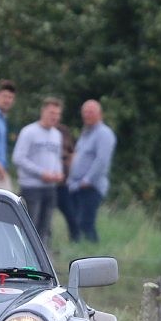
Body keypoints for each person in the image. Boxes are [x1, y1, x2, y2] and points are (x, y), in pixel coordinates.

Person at [12, 97, 65, 243]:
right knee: (30, 226)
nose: (54, 117)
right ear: (43, 111)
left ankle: (44, 258)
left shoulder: (57, 135)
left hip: (50, 188)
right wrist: (41, 173)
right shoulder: (29, 132)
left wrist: (59, 173)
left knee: (46, 227)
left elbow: (57, 158)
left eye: (57, 114)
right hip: (32, 187)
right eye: (51, 113)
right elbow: (19, 158)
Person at [67, 99, 117, 243]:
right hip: (77, 186)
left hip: (91, 187)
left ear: (100, 114)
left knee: (85, 223)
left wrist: (88, 180)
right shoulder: (86, 132)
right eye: (85, 112)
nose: (87, 115)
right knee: (77, 222)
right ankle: (79, 253)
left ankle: (94, 254)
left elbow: (102, 160)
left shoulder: (104, 134)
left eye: (91, 112)